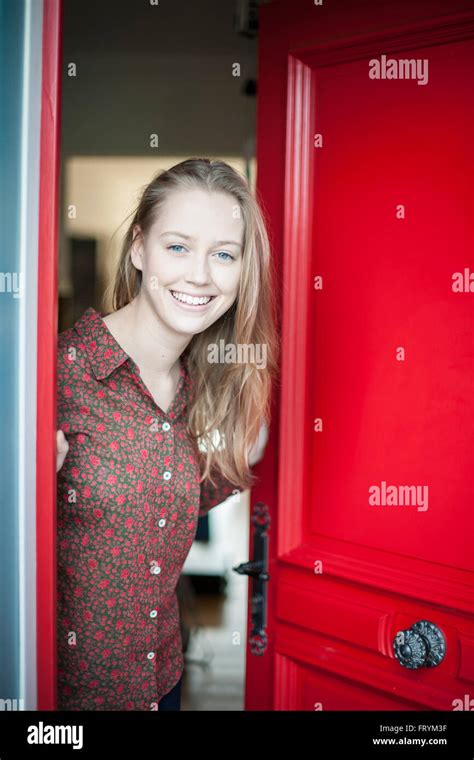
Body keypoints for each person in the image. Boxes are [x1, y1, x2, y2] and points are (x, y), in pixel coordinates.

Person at [55, 157, 279, 710]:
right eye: (177, 246)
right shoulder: (56, 376)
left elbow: (171, 502)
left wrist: (244, 444)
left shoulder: (204, 385)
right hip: (68, 699)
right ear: (138, 249)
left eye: (223, 255)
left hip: (162, 682)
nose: (200, 275)